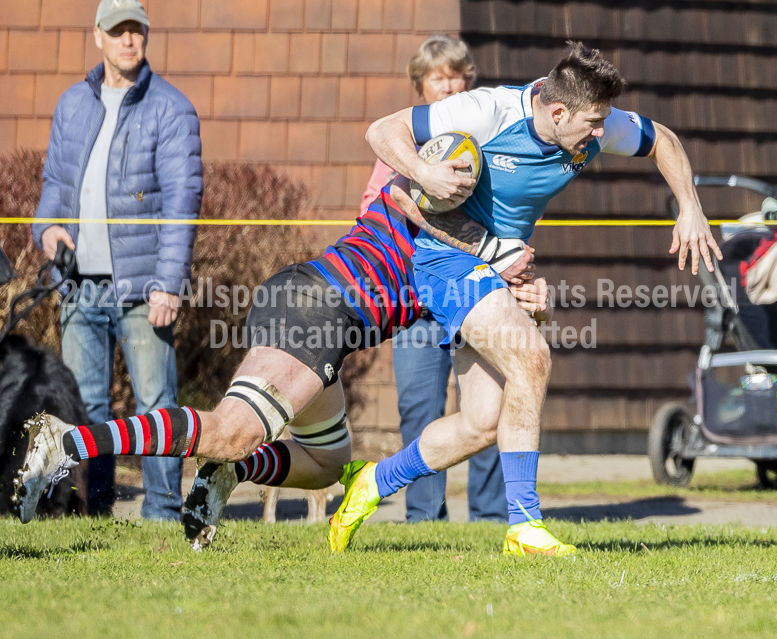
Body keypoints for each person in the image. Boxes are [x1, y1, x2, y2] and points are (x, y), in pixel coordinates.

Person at [328, 41, 723, 556]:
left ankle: (372, 482)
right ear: (557, 112)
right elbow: (381, 131)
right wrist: (424, 173)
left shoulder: (590, 126)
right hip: (446, 258)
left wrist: (689, 207)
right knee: (531, 358)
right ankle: (524, 525)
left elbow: (663, 139)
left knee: (482, 422)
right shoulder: (486, 110)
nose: (602, 134)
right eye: (593, 123)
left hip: (497, 269)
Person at [12, 179, 543, 548]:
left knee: (328, 462)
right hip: (316, 311)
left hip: (319, 315)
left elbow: (486, 312)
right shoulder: (431, 204)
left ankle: (226, 474)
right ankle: (65, 442)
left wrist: (524, 297)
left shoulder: (466, 243)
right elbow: (396, 144)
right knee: (231, 430)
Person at [30, 0, 202, 520]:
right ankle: (93, 508)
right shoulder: (72, 105)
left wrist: (168, 284)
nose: (129, 40)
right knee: (86, 409)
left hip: (143, 287)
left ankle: (164, 511)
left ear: (145, 37)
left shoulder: (172, 108)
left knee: (155, 404)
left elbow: (182, 202)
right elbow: (56, 185)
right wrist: (48, 227)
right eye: (118, 31)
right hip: (79, 285)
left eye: (137, 31)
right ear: (98, 37)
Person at [364, 35, 506, 523]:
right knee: (419, 409)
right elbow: (372, 209)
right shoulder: (399, 144)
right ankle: (423, 517)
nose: (448, 87)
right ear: (419, 86)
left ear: (470, 81)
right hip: (418, 300)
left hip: (479, 293)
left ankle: (490, 515)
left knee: (489, 410)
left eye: (456, 76)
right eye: (436, 78)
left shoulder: (489, 139)